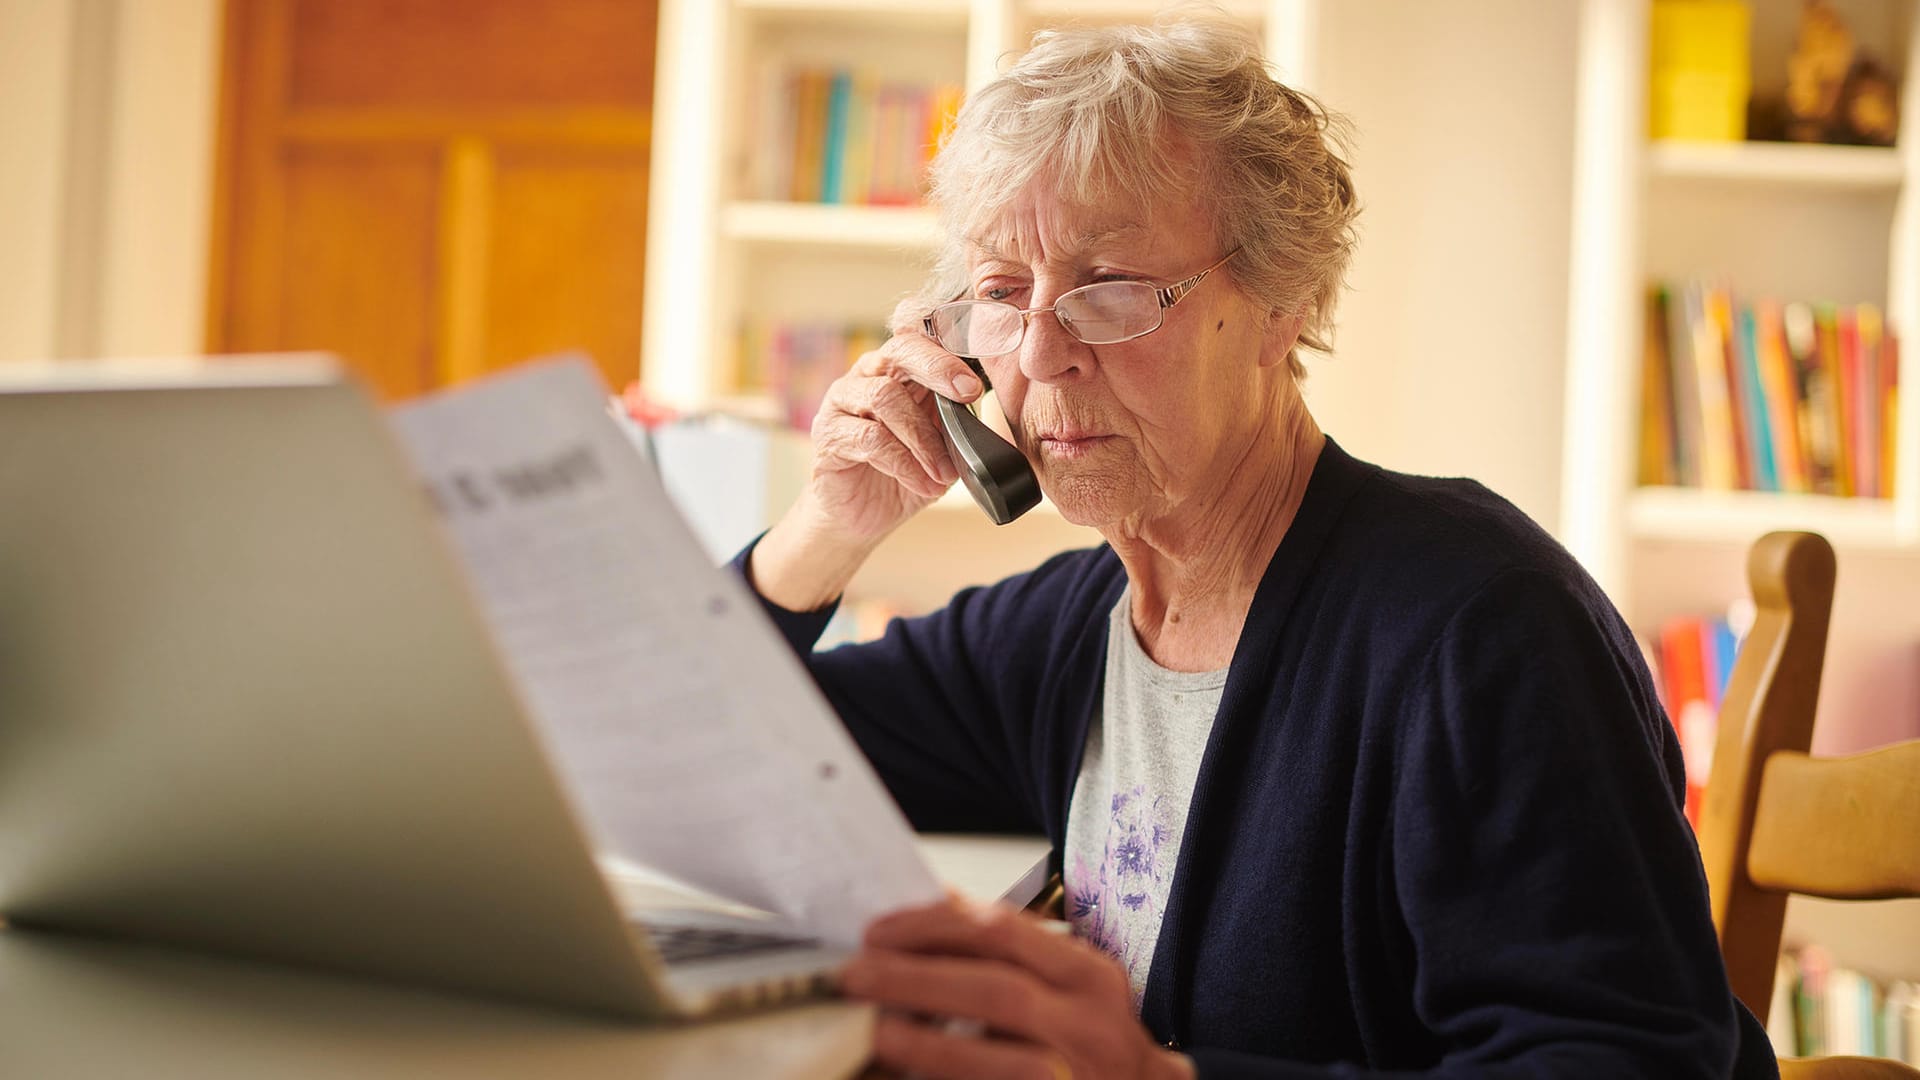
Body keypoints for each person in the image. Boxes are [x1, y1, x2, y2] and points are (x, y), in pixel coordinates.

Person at [736, 15, 1776, 1080]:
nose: (1042, 354)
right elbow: (708, 770)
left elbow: (1626, 1061)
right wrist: (829, 526)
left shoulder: (1480, 630)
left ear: (1286, 305)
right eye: (1002, 293)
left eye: (1112, 288)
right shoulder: (1070, 632)